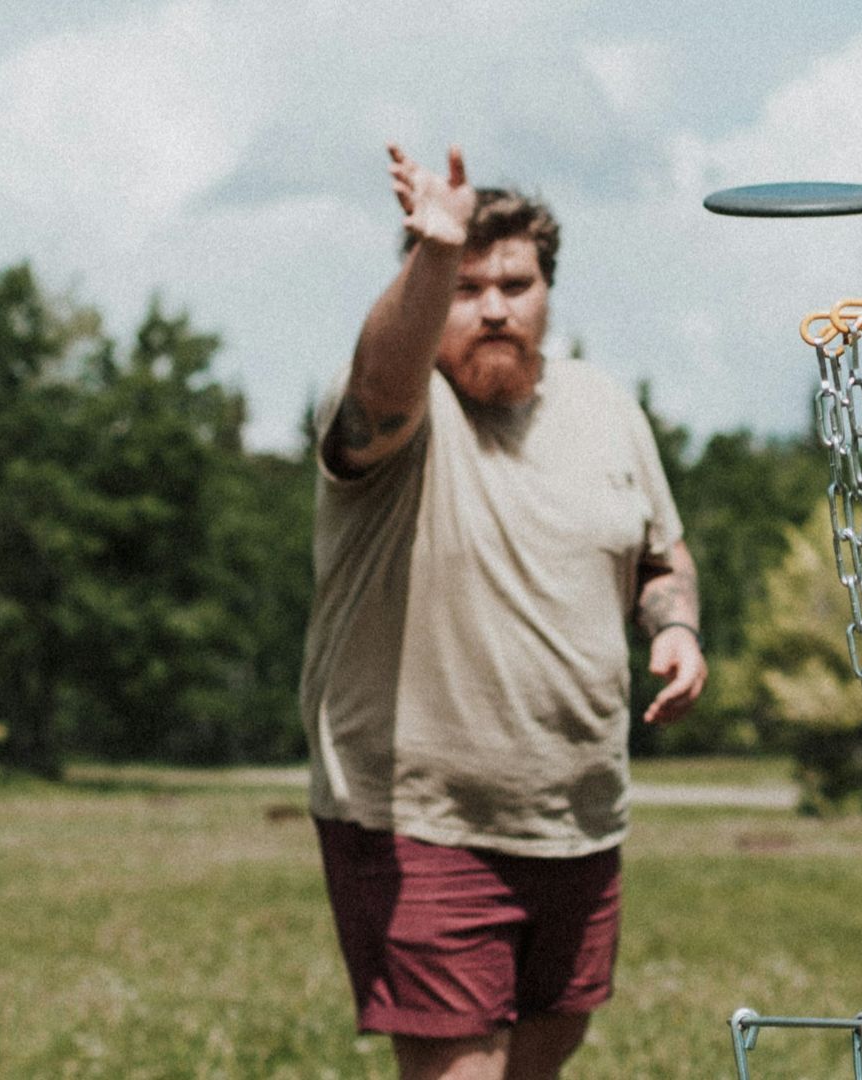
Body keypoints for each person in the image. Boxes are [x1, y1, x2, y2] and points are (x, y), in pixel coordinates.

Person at [298, 143, 706, 1080]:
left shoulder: (607, 408)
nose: (490, 307)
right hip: (422, 818)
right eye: (464, 285)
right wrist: (432, 251)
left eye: (513, 284)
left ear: (547, 294)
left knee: (544, 1053)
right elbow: (381, 387)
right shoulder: (406, 412)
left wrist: (675, 626)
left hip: (577, 816)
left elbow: (658, 548)